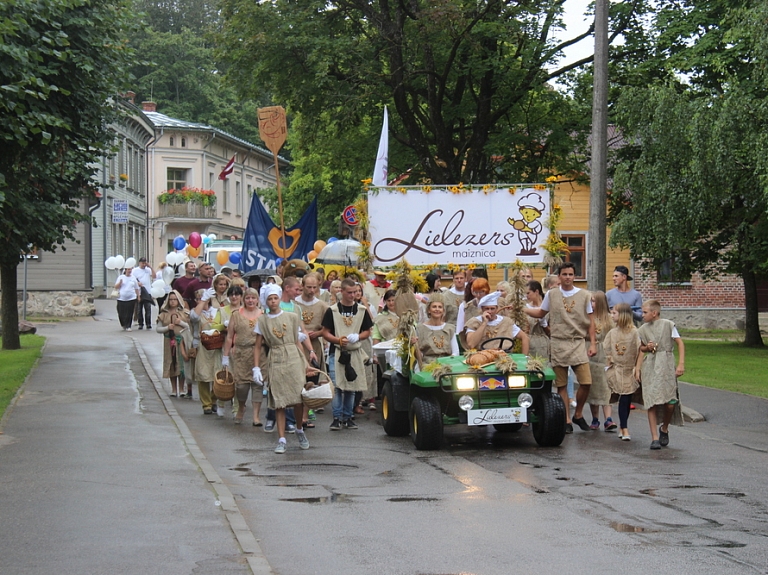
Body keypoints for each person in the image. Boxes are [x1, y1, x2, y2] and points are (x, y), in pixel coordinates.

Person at [525, 262, 597, 434]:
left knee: (586, 382)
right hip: (558, 341)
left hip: (577, 341)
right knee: (562, 384)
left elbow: (591, 321)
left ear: (575, 276)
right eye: (564, 274)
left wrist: (593, 343)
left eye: (571, 274)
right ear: (559, 276)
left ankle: (578, 413)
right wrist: (524, 309)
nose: (567, 278)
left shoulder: (584, 295)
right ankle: (566, 419)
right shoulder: (552, 294)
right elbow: (541, 313)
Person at [253, 285, 317, 453]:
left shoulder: (292, 316)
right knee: (279, 401)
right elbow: (258, 346)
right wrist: (256, 368)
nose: (273, 301)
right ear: (265, 301)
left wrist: (305, 363)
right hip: (275, 358)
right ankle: (281, 438)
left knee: (297, 398)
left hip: (293, 357)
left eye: (275, 298)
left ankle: (299, 429)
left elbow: (297, 341)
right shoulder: (262, 320)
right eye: (269, 299)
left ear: (279, 298)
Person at [321, 278, 374, 430]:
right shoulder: (333, 310)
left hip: (354, 351)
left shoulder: (361, 310)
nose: (352, 295)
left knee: (351, 385)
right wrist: (337, 340)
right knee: (338, 385)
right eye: (349, 292)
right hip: (337, 351)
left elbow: (367, 331)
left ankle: (348, 416)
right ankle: (337, 417)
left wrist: (358, 336)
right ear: (342, 292)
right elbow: (325, 332)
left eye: (355, 292)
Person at [636, 300, 685, 450]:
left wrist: (681, 364)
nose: (642, 315)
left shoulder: (668, 325)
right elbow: (641, 348)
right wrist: (646, 349)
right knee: (651, 401)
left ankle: (664, 428)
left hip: (666, 364)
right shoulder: (643, 329)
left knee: (670, 402)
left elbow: (680, 343)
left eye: (645, 312)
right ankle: (654, 438)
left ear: (654, 313)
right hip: (651, 365)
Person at [222, 288, 264, 425]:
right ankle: (241, 406)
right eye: (248, 298)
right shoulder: (236, 314)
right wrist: (225, 356)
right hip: (241, 353)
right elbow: (229, 337)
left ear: (257, 299)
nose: (250, 300)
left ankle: (256, 416)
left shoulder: (263, 315)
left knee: (257, 384)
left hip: (259, 353)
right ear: (243, 299)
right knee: (241, 386)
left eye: (253, 298)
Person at [604, 303, 641, 441]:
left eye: (614, 313)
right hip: (617, 368)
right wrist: (609, 362)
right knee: (623, 398)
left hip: (629, 369)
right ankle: (624, 428)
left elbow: (639, 349)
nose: (612, 316)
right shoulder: (612, 332)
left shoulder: (634, 332)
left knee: (627, 398)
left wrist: (637, 368)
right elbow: (607, 348)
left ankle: (622, 425)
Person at [190, 287, 224, 415]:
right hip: (201, 346)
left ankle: (213, 399)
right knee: (203, 375)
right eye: (198, 298)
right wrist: (202, 301)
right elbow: (194, 318)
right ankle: (206, 404)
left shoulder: (216, 311)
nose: (202, 301)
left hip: (216, 344)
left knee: (216, 373)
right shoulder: (196, 312)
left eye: (203, 298)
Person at [586, 291, 617, 431]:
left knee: (606, 387)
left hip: (605, 356)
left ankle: (608, 419)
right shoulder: (587, 318)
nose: (591, 304)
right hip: (590, 355)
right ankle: (595, 418)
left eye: (593, 301)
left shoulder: (609, 320)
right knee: (593, 387)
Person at [465, 291, 529, 353]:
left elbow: (525, 337)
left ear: (496, 308)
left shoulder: (506, 322)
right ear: (482, 309)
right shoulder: (474, 322)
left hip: (505, 357)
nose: (490, 311)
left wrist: (524, 358)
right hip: (483, 357)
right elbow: (471, 344)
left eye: (492, 308)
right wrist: (484, 323)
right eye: (487, 309)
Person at [155, 290, 189, 397]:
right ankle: (174, 389)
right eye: (171, 300)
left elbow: (189, 327)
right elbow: (158, 329)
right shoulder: (164, 314)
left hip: (181, 341)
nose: (173, 302)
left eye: (175, 299)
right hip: (169, 341)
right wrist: (167, 328)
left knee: (181, 364)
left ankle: (182, 388)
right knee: (171, 363)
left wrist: (181, 323)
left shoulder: (184, 313)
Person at [413, 297, 459, 366]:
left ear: (443, 311)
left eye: (440, 307)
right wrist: (414, 346)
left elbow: (455, 352)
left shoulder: (450, 328)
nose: (437, 309)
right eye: (434, 307)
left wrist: (447, 362)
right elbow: (420, 355)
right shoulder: (420, 328)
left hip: (447, 364)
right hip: (428, 365)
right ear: (429, 310)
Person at [456, 277, 490, 349]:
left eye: (481, 292)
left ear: (487, 291)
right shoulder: (467, 307)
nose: (478, 295)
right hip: (473, 344)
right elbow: (463, 327)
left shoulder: (494, 304)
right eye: (476, 292)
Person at [525, 280, 550, 358]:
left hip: (544, 344)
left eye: (528, 293)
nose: (526, 296)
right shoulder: (526, 307)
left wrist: (544, 325)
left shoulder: (548, 308)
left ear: (536, 291)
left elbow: (552, 332)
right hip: (529, 343)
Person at [114, 267, 139, 331]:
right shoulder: (121, 277)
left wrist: (138, 296)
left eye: (130, 269)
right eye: (128, 269)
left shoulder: (133, 278)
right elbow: (116, 287)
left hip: (131, 298)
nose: (129, 271)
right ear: (125, 270)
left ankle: (128, 326)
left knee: (130, 312)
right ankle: (123, 324)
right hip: (121, 298)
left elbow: (136, 288)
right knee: (121, 312)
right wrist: (120, 283)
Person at [133, 257, 154, 330]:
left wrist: (150, 267)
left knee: (148, 308)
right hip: (139, 292)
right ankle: (140, 323)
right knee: (139, 309)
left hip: (147, 291)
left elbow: (154, 276)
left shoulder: (148, 270)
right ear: (139, 263)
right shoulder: (135, 270)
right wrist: (137, 283)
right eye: (143, 263)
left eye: (145, 263)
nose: (144, 264)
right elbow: (132, 279)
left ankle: (148, 324)